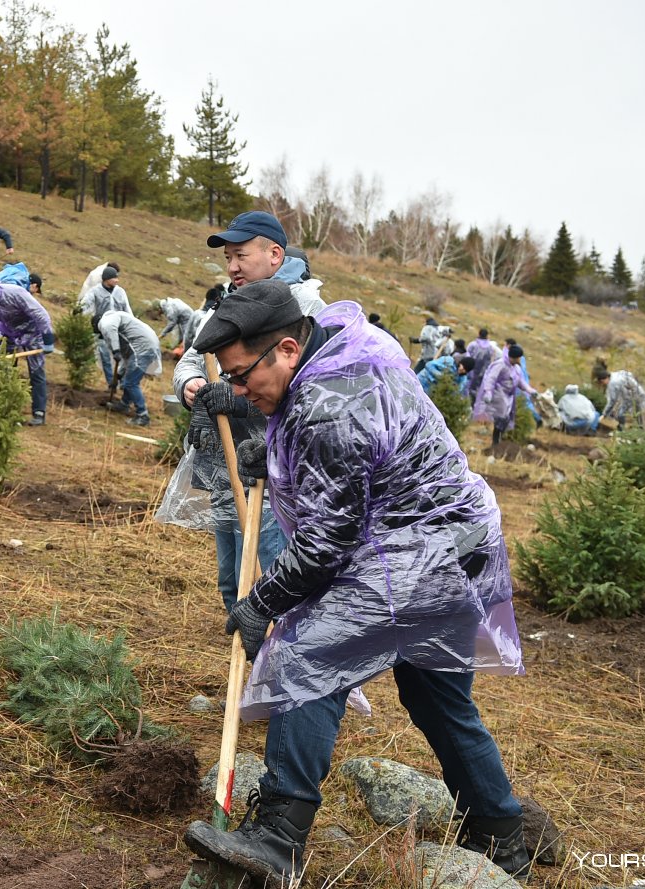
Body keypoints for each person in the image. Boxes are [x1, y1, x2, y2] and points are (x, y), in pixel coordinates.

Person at [182, 281, 528, 884]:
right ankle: (503, 836)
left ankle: (278, 839)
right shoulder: (342, 340)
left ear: (287, 349)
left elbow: (324, 545)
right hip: (455, 532)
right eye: (231, 379)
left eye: (243, 377)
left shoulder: (327, 408)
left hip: (423, 549)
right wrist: (261, 422)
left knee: (305, 656)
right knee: (435, 695)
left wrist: (261, 603)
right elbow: (328, 425)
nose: (239, 388)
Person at [170, 211, 323, 615]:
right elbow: (192, 358)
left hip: (273, 469)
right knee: (230, 576)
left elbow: (303, 390)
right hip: (227, 456)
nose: (233, 266)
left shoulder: (305, 306)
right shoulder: (227, 301)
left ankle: (273, 655)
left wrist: (235, 399)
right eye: (228, 259)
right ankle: (247, 648)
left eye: (241, 256)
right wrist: (192, 387)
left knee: (268, 572)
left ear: (275, 254)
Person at [0, 276, 55, 426]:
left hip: (32, 333)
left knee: (36, 372)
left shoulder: (15, 293)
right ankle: (9, 410)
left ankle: (39, 412)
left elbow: (40, 314)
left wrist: (48, 339)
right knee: (5, 370)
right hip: (9, 335)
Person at [94, 309, 162, 426]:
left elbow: (109, 328)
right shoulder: (120, 323)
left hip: (142, 348)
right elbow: (127, 359)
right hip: (146, 346)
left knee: (131, 383)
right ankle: (124, 405)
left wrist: (115, 350)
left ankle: (143, 416)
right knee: (129, 379)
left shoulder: (106, 321)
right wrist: (118, 376)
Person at [474, 344, 539, 446]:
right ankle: (495, 442)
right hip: (498, 394)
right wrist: (488, 392)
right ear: (514, 357)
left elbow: (520, 382)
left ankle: (499, 440)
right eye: (519, 358)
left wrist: (530, 390)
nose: (520, 360)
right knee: (501, 418)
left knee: (506, 418)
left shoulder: (516, 368)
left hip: (508, 396)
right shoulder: (500, 364)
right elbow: (491, 378)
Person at [79, 266, 132, 388]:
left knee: (123, 356)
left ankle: (122, 381)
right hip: (103, 329)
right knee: (105, 357)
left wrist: (130, 323)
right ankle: (111, 382)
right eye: (114, 278)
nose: (117, 280)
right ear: (106, 279)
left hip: (120, 329)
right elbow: (87, 301)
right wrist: (80, 308)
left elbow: (127, 309)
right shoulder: (95, 291)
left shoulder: (120, 292)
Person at [466, 329, 499, 400]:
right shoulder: (490, 348)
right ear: (487, 335)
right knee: (478, 390)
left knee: (468, 387)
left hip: (471, 370)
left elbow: (467, 356)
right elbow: (491, 360)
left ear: (479, 334)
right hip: (483, 372)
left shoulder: (472, 345)